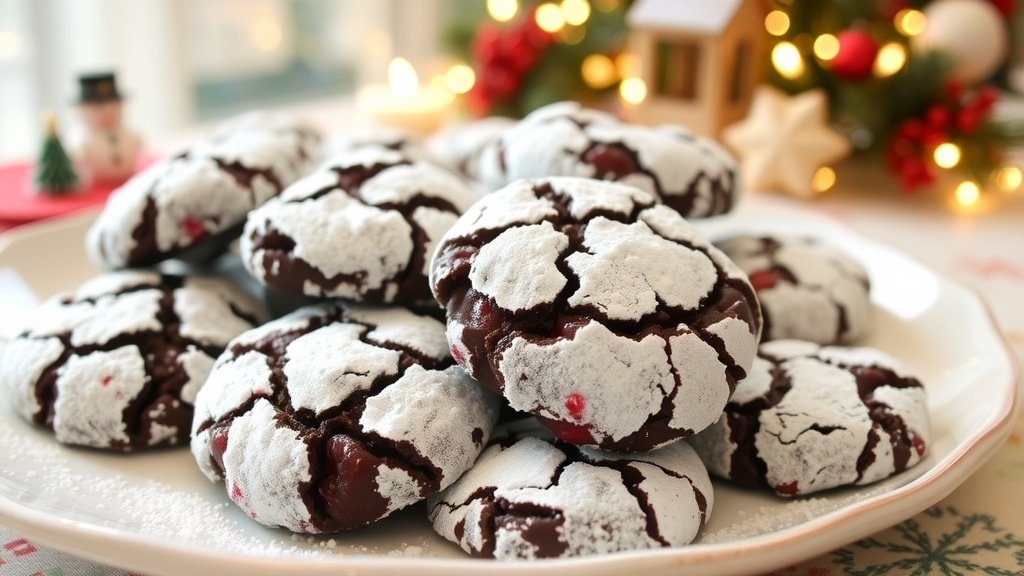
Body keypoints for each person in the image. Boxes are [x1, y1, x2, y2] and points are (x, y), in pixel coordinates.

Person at [71, 72, 142, 185]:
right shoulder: (79, 140)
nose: (108, 112)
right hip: (95, 188)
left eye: (114, 105)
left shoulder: (130, 135)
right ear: (81, 110)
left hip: (129, 182)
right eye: (98, 107)